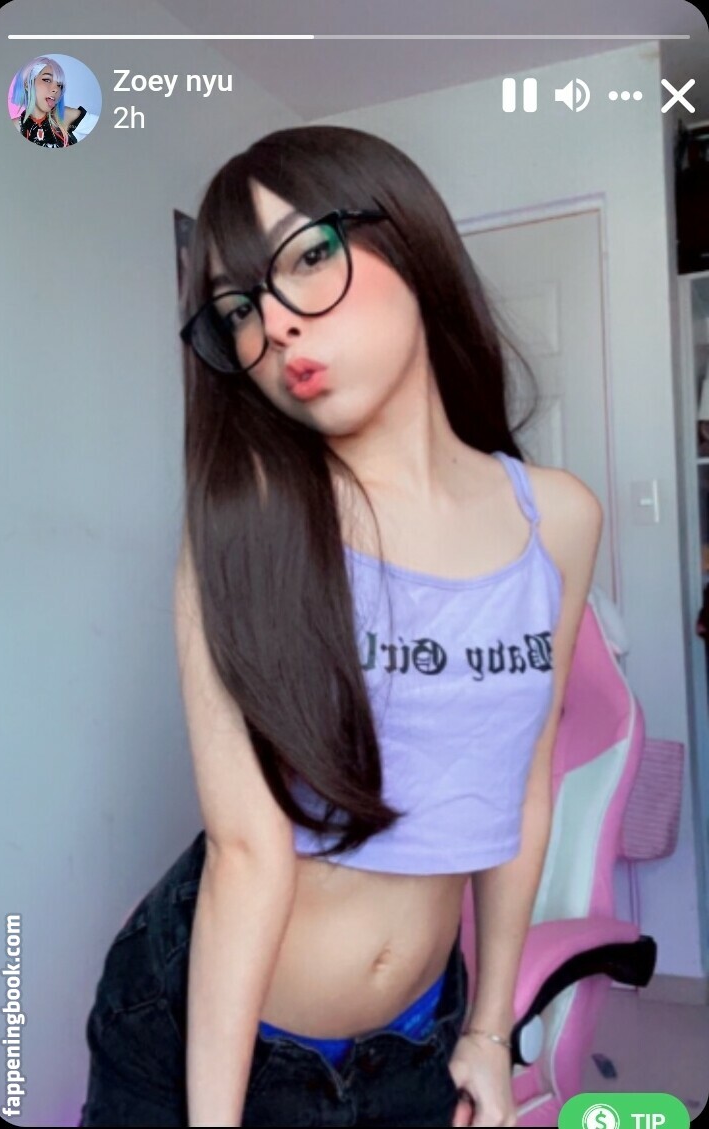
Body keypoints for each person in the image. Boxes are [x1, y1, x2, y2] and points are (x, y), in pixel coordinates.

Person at [78, 124, 603, 1128]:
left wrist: (489, 1031)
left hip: (418, 1039)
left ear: (407, 237)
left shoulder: (559, 519)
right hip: (208, 1033)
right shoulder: (251, 525)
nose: (275, 327)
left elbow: (524, 779)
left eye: (308, 257)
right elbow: (246, 852)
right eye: (239, 309)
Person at [9, 57, 87, 148]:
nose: (56, 89)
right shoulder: (14, 126)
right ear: (27, 84)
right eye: (47, 80)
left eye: (59, 85)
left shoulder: (68, 117)